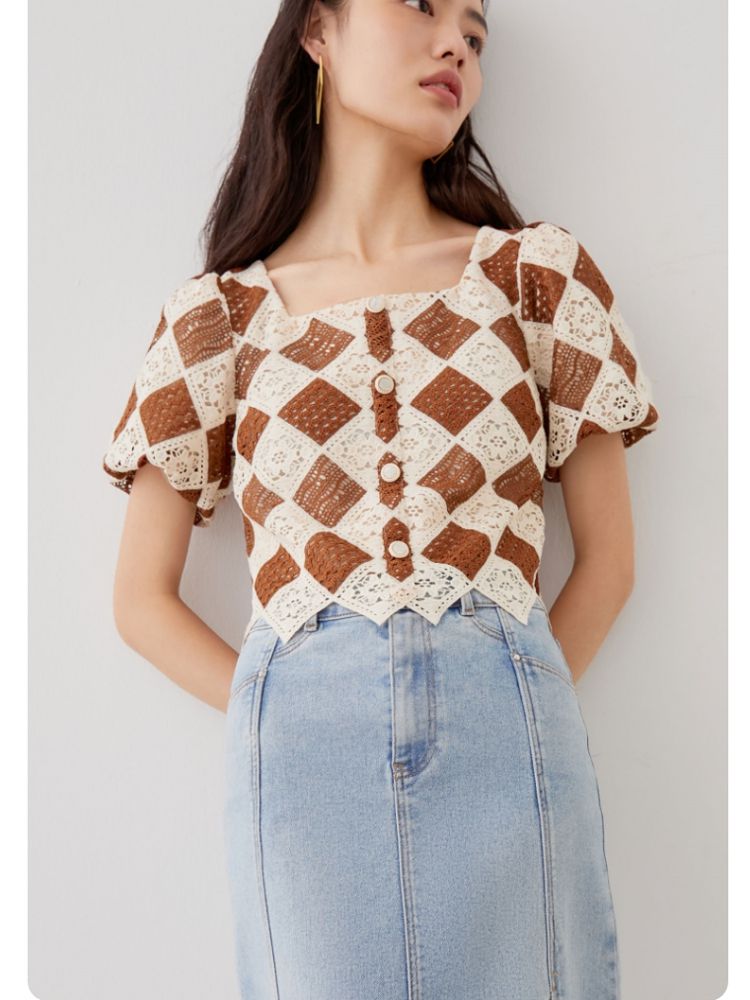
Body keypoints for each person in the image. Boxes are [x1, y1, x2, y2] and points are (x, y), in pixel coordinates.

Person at [101, 2, 659, 998]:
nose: (455, 46)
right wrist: (284, 713)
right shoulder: (216, 319)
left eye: (475, 37)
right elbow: (140, 599)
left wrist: (515, 696)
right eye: (421, 7)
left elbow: (610, 563)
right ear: (317, 31)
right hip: (304, 766)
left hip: (513, 731)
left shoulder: (535, 279)